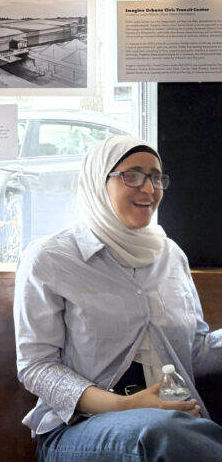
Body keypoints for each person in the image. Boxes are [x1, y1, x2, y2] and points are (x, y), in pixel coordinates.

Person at [14, 134, 222, 460]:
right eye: (133, 175)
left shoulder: (171, 256)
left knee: (169, 430)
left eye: (156, 177)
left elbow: (194, 352)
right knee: (158, 432)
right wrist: (126, 405)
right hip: (82, 428)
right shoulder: (50, 257)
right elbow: (37, 368)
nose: (149, 189)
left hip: (181, 423)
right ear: (99, 182)